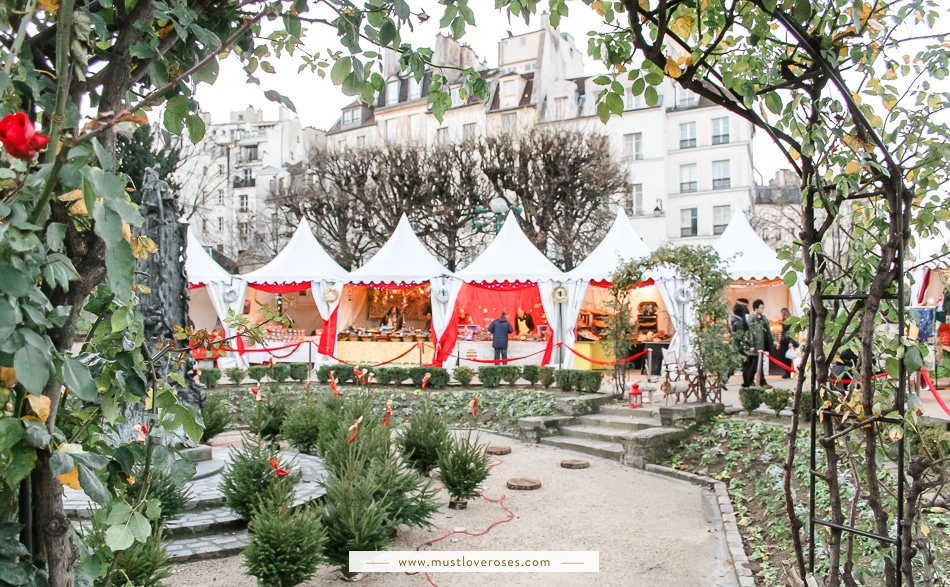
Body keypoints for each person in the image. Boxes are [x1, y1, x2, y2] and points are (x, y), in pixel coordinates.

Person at [748, 299, 775, 388]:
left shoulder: (763, 318)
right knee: (757, 363)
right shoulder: (752, 318)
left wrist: (773, 340)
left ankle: (749, 380)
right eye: (761, 308)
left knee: (755, 364)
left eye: (763, 308)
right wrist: (751, 344)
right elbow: (751, 332)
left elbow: (768, 330)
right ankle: (762, 382)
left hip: (763, 344)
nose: (763, 310)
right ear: (756, 308)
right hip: (756, 345)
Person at [731, 303, 756, 387]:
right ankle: (747, 381)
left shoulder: (736, 320)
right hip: (741, 345)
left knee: (742, 364)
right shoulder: (739, 322)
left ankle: (747, 381)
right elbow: (740, 335)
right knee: (745, 364)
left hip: (739, 344)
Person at [776, 307, 799, 378]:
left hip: (787, 340)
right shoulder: (785, 320)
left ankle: (788, 372)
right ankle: (787, 372)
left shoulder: (789, 321)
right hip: (784, 340)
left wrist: (791, 341)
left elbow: (792, 331)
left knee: (787, 357)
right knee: (784, 357)